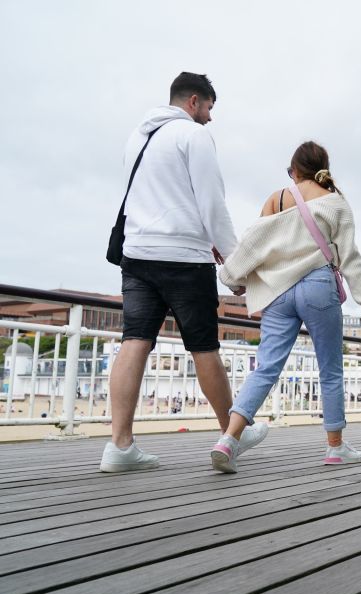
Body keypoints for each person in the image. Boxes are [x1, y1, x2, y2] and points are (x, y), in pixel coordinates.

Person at [100, 72, 268, 472]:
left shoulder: (138, 136)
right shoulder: (193, 136)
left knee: (135, 340)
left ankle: (119, 446)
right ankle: (233, 435)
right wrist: (237, 264)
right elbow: (212, 204)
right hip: (182, 257)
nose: (210, 118)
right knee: (203, 345)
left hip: (137, 254)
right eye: (209, 107)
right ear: (194, 101)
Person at [214, 141, 361, 473]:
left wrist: (231, 275)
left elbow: (254, 245)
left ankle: (228, 441)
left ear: (295, 170)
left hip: (277, 292)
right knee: (330, 369)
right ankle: (335, 448)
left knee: (265, 368)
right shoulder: (336, 202)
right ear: (323, 169)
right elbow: (350, 257)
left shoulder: (275, 200)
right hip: (317, 286)